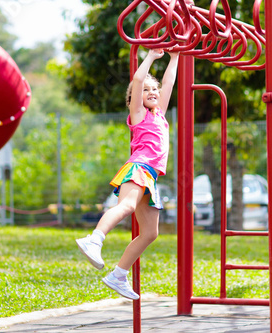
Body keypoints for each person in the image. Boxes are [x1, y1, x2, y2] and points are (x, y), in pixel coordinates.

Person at [76, 48, 179, 300]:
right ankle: (95, 239)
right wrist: (152, 57)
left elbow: (168, 82)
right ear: (136, 98)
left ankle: (118, 274)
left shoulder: (160, 115)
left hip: (151, 177)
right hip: (139, 168)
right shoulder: (139, 115)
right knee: (126, 206)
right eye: (146, 91)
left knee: (150, 232)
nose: (152, 92)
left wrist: (175, 57)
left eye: (153, 90)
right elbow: (136, 81)